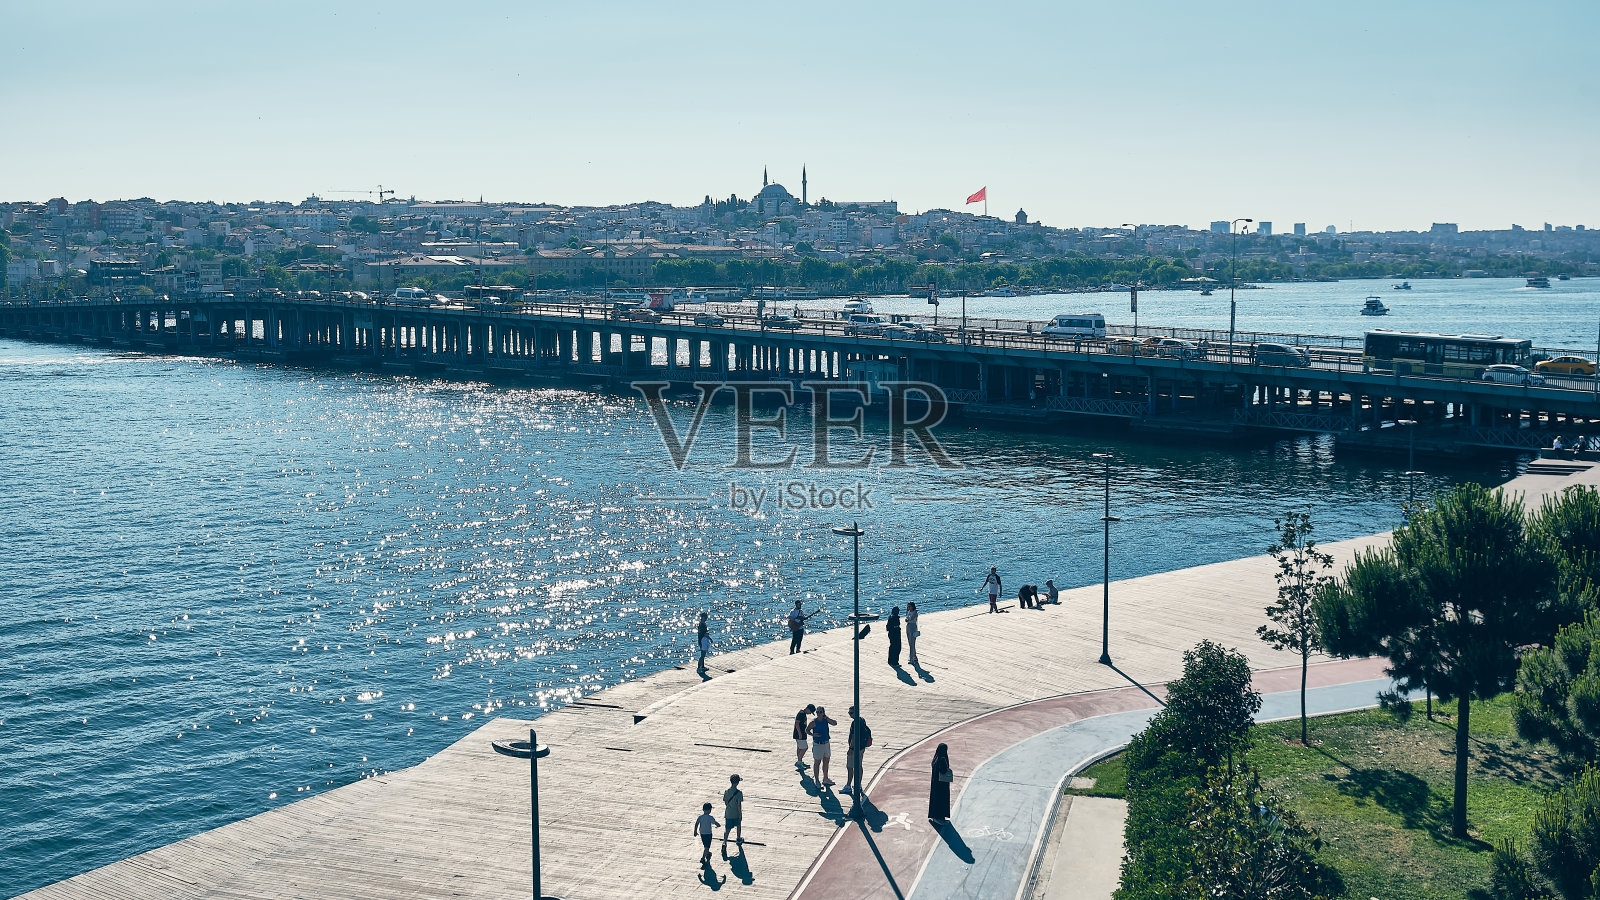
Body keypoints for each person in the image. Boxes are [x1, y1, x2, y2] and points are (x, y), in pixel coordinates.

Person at [844, 705, 872, 800]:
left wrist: (851, 748)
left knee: (850, 766)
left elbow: (854, 736)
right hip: (861, 747)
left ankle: (848, 785)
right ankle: (858, 785)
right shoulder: (862, 720)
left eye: (851, 713)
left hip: (855, 748)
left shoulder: (855, 723)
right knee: (859, 766)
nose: (849, 714)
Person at [809, 706, 838, 786]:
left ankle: (825, 778)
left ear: (823, 713)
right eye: (817, 712)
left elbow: (834, 723)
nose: (818, 714)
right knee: (817, 762)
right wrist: (813, 734)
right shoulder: (813, 722)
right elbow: (807, 730)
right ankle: (817, 780)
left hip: (826, 743)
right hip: (818, 744)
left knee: (826, 761)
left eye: (820, 712)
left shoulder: (826, 720)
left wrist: (827, 718)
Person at [929, 743, 953, 820]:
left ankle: (934, 815)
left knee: (935, 799)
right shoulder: (942, 758)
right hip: (942, 784)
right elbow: (943, 770)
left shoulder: (936, 757)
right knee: (941, 800)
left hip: (935, 783)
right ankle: (940, 816)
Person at [722, 775, 744, 847]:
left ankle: (724, 842)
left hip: (728, 813)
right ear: (737, 783)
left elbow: (726, 803)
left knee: (727, 829)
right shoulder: (739, 793)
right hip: (736, 813)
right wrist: (740, 814)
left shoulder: (726, 791)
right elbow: (739, 805)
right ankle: (738, 838)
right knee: (738, 825)